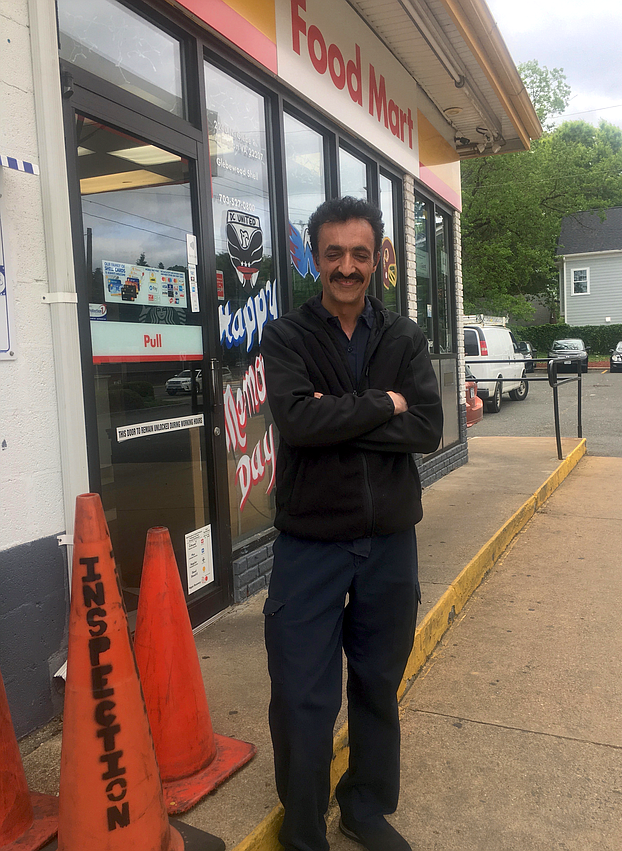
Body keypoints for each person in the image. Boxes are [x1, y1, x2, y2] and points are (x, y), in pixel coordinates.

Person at [260, 196, 443, 851]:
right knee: (303, 698)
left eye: (359, 254)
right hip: (310, 545)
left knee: (376, 685)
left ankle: (364, 807)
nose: (346, 266)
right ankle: (303, 829)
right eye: (333, 253)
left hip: (391, 544)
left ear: (380, 259)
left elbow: (426, 427)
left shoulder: (404, 338)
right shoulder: (286, 337)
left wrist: (336, 418)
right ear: (314, 257)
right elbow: (297, 422)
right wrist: (378, 405)